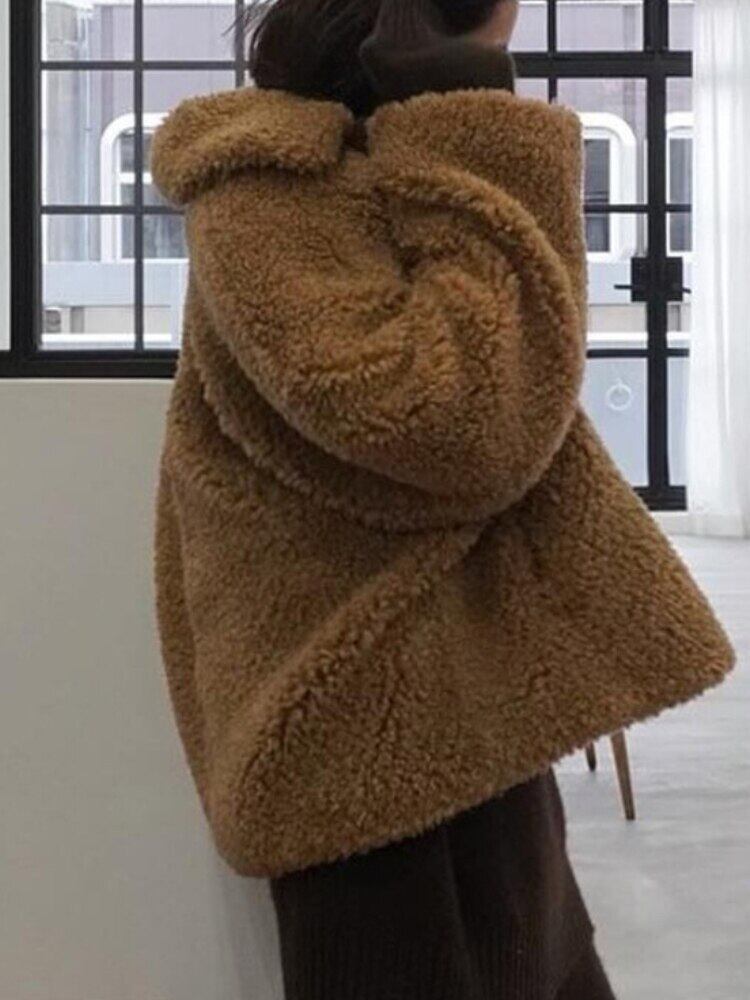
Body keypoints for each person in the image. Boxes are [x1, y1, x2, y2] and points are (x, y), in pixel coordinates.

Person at [150, 1, 734, 997]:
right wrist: (470, 124)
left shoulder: (369, 177)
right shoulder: (272, 195)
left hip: (454, 718)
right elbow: (468, 421)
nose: (509, 41)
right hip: (373, 750)